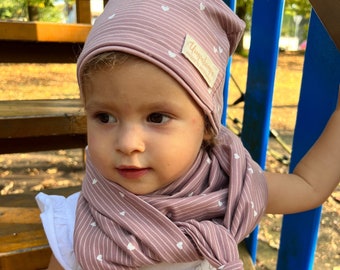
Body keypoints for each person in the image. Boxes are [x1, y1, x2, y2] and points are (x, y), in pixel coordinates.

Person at [36, 0, 340, 269]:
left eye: (156, 117)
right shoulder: (77, 224)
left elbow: (309, 186)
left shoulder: (229, 190)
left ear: (207, 125)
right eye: (105, 117)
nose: (127, 143)